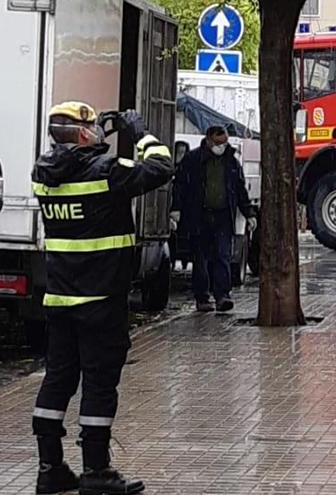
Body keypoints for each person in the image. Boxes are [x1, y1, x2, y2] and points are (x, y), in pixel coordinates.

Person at [31, 101, 173, 494]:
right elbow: (161, 167)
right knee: (98, 383)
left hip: (60, 300)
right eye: (91, 128)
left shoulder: (43, 175)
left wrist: (101, 137)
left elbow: (75, 162)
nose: (96, 133)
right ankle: (97, 472)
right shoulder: (107, 173)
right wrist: (139, 132)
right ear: (81, 134)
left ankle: (50, 467)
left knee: (58, 380)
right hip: (101, 301)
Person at [171, 126, 255, 312]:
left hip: (223, 216)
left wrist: (249, 213)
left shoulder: (231, 162)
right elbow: (180, 186)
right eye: (218, 143)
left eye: (224, 143)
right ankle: (202, 297)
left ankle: (222, 296)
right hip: (199, 216)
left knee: (223, 256)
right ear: (208, 140)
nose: (221, 147)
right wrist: (176, 209)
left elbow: (239, 189)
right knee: (200, 258)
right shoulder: (193, 160)